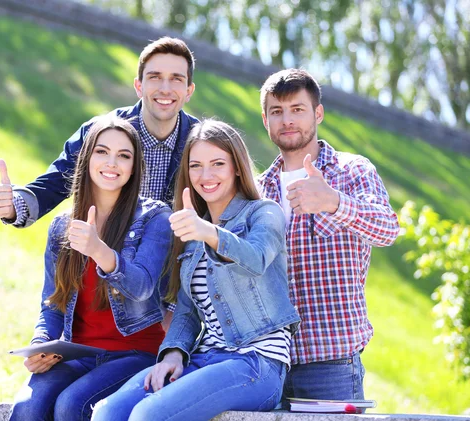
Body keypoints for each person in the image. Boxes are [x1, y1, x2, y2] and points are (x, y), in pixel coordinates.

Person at [91, 119, 301, 421]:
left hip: (257, 364)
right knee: (108, 412)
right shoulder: (193, 231)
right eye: (196, 166)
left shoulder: (264, 213)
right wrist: (173, 353)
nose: (206, 175)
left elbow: (255, 258)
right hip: (204, 358)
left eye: (218, 164)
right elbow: (187, 311)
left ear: (237, 167)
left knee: (148, 416)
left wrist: (209, 233)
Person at [8, 116, 172, 421]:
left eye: (124, 156)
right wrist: (41, 344)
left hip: (136, 354)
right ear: (87, 159)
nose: (112, 162)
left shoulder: (156, 218)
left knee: (72, 405)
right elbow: (52, 303)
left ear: (134, 167)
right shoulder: (62, 226)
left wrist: (100, 250)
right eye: (102, 152)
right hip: (77, 354)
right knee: (27, 407)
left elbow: (143, 286)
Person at [257, 68, 400, 401]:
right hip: (270, 364)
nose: (287, 119)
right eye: (277, 112)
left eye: (297, 109)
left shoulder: (352, 170)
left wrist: (334, 201)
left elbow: (387, 229)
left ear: (318, 113)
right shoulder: (259, 188)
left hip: (332, 363)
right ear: (266, 120)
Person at [0, 36, 198, 228]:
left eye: (177, 79)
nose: (165, 88)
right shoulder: (99, 133)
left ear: (189, 91)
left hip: (174, 264)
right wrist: (14, 205)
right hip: (103, 252)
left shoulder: (203, 142)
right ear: (138, 85)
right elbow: (55, 183)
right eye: (155, 77)